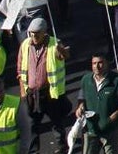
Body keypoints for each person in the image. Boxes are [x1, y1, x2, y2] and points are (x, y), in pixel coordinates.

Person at [17, 17, 70, 154]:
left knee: (56, 123)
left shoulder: (54, 44)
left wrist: (62, 51)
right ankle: (34, 151)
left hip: (49, 93)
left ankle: (62, 148)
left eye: (37, 34)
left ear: (44, 32)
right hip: (31, 94)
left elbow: (64, 56)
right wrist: (23, 91)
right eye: (32, 34)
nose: (34, 37)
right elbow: (20, 69)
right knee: (32, 125)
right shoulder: (25, 45)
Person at [76, 53, 118, 154]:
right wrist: (80, 107)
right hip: (90, 129)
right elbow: (82, 97)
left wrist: (114, 115)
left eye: (100, 63)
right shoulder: (86, 80)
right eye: (94, 63)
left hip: (111, 130)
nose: (97, 66)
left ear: (107, 63)